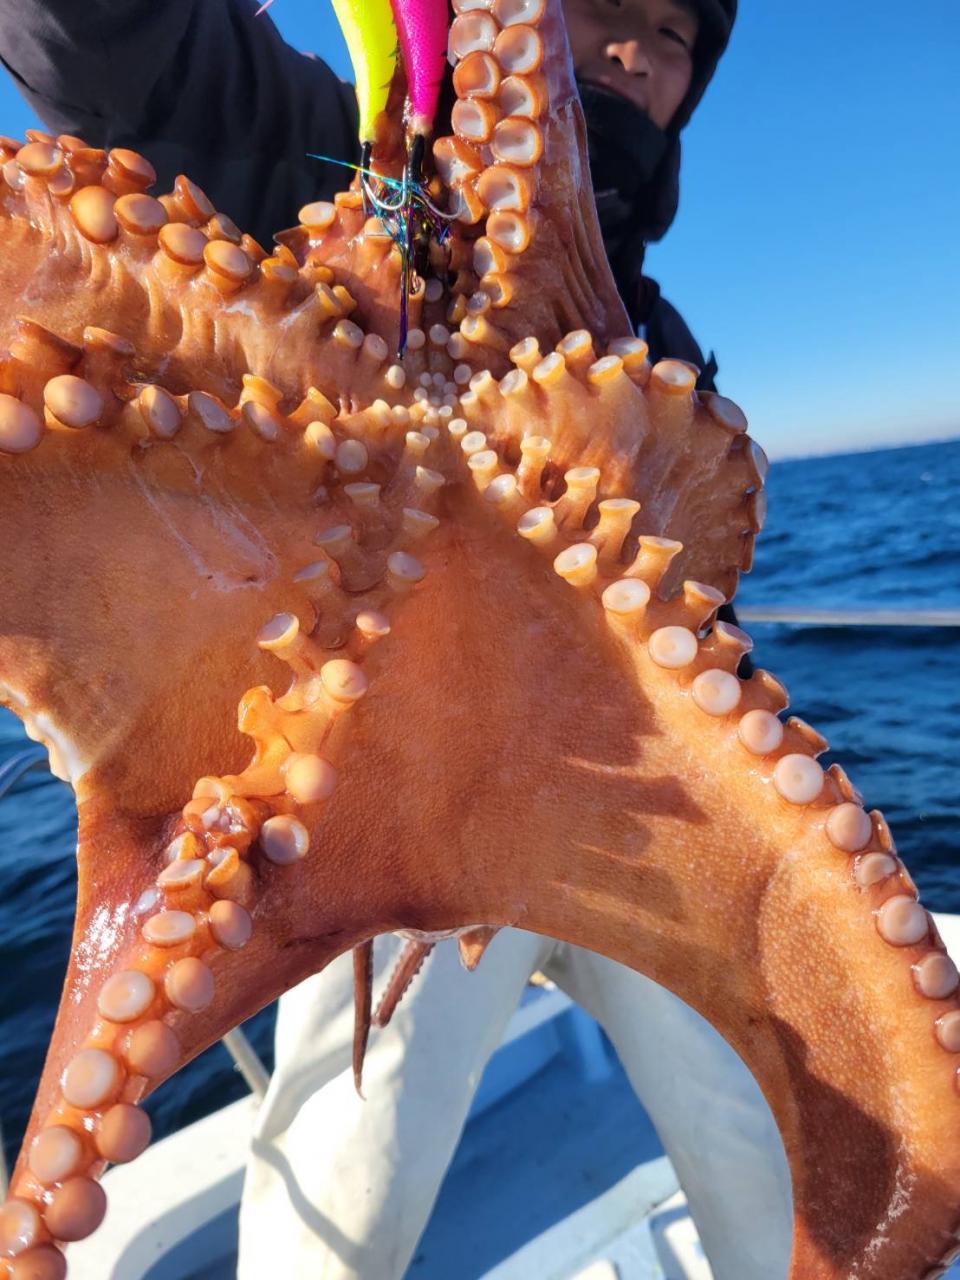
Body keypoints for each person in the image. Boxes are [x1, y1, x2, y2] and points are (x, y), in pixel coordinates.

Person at [0, 2, 791, 1277]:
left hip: (652, 817)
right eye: (606, 6)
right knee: (343, 1216)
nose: (634, 50)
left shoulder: (659, 341)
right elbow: (110, 46)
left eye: (672, 34)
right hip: (380, 827)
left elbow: (695, 593)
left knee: (777, 1156)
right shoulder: (333, 154)